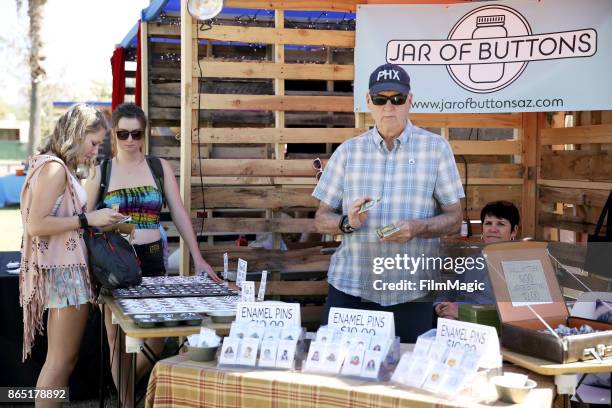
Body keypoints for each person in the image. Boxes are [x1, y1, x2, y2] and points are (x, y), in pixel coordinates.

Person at [313, 63, 464, 343]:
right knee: (341, 374)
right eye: (381, 100)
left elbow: (455, 218)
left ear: (409, 101)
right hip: (351, 288)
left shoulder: (436, 149)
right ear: (369, 102)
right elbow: (321, 217)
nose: (389, 107)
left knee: (406, 380)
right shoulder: (348, 152)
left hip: (412, 291)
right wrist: (347, 222)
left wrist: (418, 227)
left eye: (397, 99)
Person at [85, 103, 221, 407]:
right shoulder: (101, 170)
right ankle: (127, 400)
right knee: (116, 338)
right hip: (116, 262)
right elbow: (85, 220)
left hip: (151, 257)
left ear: (144, 134)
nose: (130, 140)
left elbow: (180, 213)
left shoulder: (158, 167)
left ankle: (127, 391)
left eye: (136, 133)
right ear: (114, 134)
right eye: (123, 133)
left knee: (158, 336)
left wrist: (197, 257)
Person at [19, 104, 124, 408]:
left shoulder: (55, 166)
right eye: (93, 143)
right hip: (65, 275)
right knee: (60, 362)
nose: (95, 152)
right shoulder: (54, 168)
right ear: (77, 135)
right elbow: (36, 225)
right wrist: (87, 220)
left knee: (62, 359)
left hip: (66, 272)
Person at [435, 200, 520, 319]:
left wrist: (462, 312)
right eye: (488, 223)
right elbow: (448, 294)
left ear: (514, 231)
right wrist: (441, 306)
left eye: (501, 224)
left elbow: (515, 314)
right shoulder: (472, 261)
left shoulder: (520, 267)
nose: (493, 229)